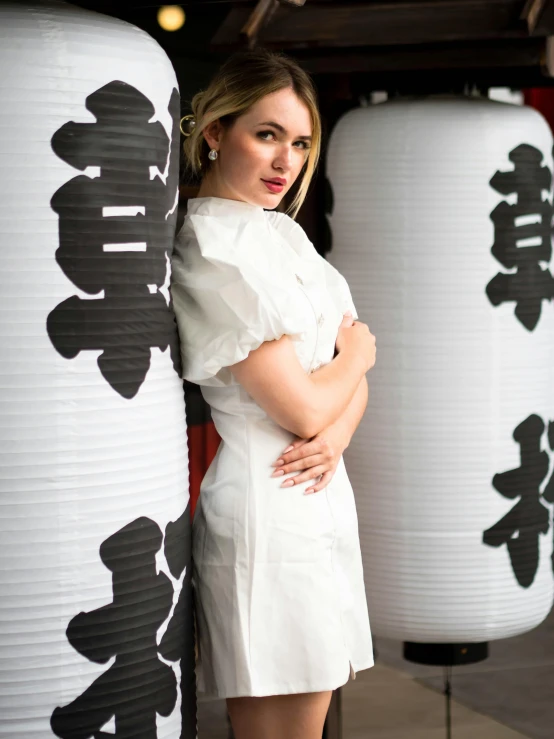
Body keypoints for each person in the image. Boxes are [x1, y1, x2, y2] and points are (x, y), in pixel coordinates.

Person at [170, 47, 376, 739]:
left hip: (316, 489)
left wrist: (339, 431)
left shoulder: (283, 235)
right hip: (267, 511)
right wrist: (359, 360)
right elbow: (308, 404)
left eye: (299, 142)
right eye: (266, 134)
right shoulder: (214, 249)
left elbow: (342, 394)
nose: (285, 160)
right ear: (214, 134)